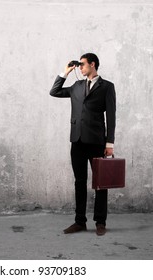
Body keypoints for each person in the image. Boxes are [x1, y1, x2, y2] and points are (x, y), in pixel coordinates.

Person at [49, 53, 116, 236]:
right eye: (78, 65)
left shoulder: (107, 87)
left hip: (97, 142)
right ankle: (80, 222)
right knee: (79, 182)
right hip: (77, 141)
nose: (80, 67)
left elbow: (111, 116)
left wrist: (109, 143)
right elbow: (54, 92)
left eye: (82, 65)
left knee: (100, 184)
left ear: (92, 64)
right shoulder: (76, 86)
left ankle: (100, 222)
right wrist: (65, 72)